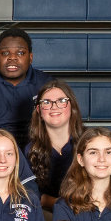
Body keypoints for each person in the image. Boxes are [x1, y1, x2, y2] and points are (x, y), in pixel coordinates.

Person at [0, 27, 53, 144]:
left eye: (20, 53)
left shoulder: (47, 85)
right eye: (5, 53)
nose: (12, 57)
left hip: (36, 147)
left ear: (30, 57)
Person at [23, 79, 84, 207]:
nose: (54, 106)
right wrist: (62, 205)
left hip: (85, 211)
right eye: (46, 102)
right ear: (39, 111)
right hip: (47, 215)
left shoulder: (90, 142)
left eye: (61, 101)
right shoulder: (30, 150)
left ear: (72, 106)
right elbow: (31, 194)